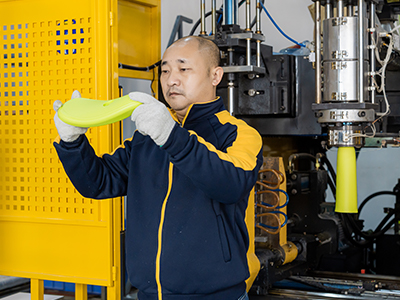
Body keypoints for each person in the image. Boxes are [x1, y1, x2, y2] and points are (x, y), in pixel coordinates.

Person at [53, 36, 263, 300]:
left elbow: (231, 184)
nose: (171, 80)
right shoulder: (146, 138)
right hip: (148, 294)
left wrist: (171, 136)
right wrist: (72, 143)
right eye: (165, 70)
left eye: (183, 69)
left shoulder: (238, 134)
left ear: (215, 76)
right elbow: (99, 182)